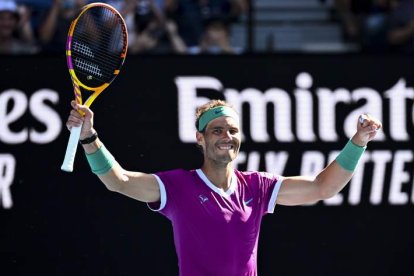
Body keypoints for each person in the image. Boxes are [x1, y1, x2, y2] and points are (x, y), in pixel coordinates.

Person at [65, 99, 382, 275]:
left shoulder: (257, 187)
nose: (226, 136)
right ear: (200, 139)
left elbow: (321, 187)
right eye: (216, 130)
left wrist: (359, 142)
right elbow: (118, 181)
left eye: (232, 129)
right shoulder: (178, 186)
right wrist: (89, 138)